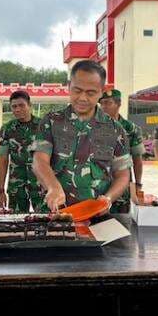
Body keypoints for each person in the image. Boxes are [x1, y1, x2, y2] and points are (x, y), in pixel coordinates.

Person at [32, 60, 132, 212]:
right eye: (77, 90)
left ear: (101, 91)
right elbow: (39, 161)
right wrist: (53, 187)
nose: (83, 98)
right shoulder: (51, 122)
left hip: (97, 216)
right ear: (68, 86)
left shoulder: (116, 130)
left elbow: (123, 175)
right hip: (56, 213)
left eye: (90, 93)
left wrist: (108, 199)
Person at [99, 88, 144, 213]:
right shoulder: (93, 126)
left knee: (121, 223)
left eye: (108, 103)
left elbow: (137, 159)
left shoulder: (131, 128)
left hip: (122, 186)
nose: (103, 107)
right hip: (99, 185)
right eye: (101, 103)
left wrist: (138, 185)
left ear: (118, 104)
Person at [0, 90, 42, 213]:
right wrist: (0, 190)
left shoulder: (43, 126)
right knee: (16, 222)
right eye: (14, 106)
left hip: (40, 184)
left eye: (21, 105)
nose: (17, 109)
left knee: (45, 220)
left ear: (29, 105)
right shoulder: (7, 129)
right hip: (16, 185)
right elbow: (3, 160)